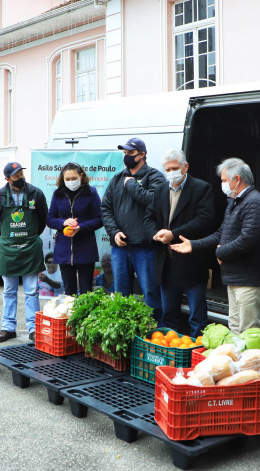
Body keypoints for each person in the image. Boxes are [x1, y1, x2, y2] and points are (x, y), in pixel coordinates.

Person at [171, 158, 260, 334]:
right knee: (235, 328)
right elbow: (221, 233)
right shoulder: (234, 202)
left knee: (249, 332)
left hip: (248, 280)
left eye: (225, 180)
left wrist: (221, 252)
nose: (222, 185)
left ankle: (249, 363)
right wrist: (193, 245)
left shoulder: (254, 202)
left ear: (237, 179)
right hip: (235, 278)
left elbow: (247, 239)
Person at [144, 149, 214, 336]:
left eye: (175, 168)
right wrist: (155, 234)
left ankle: (197, 351)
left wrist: (173, 234)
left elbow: (204, 219)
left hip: (192, 262)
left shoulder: (201, 188)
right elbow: (149, 218)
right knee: (169, 315)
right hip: (166, 262)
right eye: (167, 169)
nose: (171, 172)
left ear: (185, 167)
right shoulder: (160, 190)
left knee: (197, 316)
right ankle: (171, 351)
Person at [101, 138, 167, 321]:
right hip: (120, 248)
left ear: (142, 155)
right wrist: (114, 232)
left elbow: (154, 201)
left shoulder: (155, 177)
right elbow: (105, 209)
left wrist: (131, 185)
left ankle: (155, 332)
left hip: (145, 246)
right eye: (125, 153)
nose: (126, 156)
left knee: (150, 293)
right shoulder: (116, 179)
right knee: (121, 294)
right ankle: (125, 332)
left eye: (130, 153)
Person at [0, 162, 48, 343]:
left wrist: (29, 236)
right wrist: (9, 237)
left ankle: (33, 328)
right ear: (7, 179)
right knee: (9, 291)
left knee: (31, 291)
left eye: (21, 173)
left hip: (30, 247)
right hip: (8, 249)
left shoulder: (35, 193)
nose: (21, 177)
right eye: (16, 176)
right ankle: (8, 328)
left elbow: (42, 219)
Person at [46, 162, 102, 296]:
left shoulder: (91, 192)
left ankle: (85, 317)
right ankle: (70, 317)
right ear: (62, 179)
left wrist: (81, 227)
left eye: (74, 178)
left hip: (86, 249)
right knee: (69, 293)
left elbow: (100, 219)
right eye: (67, 179)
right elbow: (50, 219)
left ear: (81, 176)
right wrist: (63, 222)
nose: (71, 182)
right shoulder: (57, 194)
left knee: (86, 292)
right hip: (64, 250)